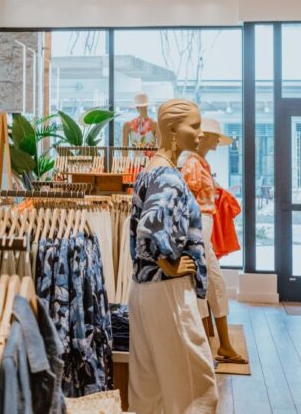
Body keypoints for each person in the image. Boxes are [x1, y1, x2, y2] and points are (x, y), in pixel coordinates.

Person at [128, 99, 218, 414]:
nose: (199, 132)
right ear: (171, 130)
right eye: (193, 126)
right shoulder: (166, 175)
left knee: (151, 391)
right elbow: (150, 227)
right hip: (167, 289)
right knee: (196, 388)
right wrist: (171, 262)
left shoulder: (151, 168)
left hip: (145, 289)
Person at [181, 117, 247, 365]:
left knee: (211, 280)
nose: (217, 141)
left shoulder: (199, 162)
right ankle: (215, 346)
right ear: (205, 137)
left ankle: (219, 345)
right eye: (214, 137)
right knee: (206, 279)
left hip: (202, 222)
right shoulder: (192, 164)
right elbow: (187, 195)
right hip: (199, 223)